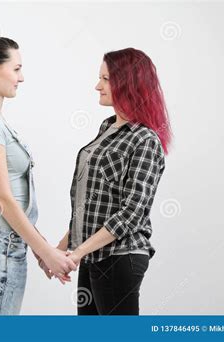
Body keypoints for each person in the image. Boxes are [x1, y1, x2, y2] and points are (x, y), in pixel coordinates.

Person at [0, 27, 76, 315]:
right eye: (16, 68)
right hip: (0, 245)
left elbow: (11, 195)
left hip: (3, 241)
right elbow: (3, 198)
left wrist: (40, 249)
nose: (21, 77)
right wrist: (47, 251)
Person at [57, 48, 172, 315]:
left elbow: (131, 214)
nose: (98, 86)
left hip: (119, 258)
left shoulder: (144, 140)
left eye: (106, 79)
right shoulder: (106, 129)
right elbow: (91, 206)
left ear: (128, 82)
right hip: (92, 255)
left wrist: (76, 253)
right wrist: (61, 250)